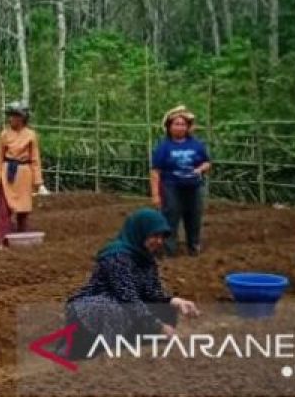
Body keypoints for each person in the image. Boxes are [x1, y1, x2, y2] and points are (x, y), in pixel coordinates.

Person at [63, 208, 200, 360]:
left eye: (162, 236)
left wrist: (176, 301)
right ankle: (90, 347)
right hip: (96, 307)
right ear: (140, 232)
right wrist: (159, 327)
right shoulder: (117, 256)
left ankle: (129, 341)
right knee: (116, 309)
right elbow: (127, 297)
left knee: (166, 309)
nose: (159, 241)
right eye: (154, 235)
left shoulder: (145, 258)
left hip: (123, 306)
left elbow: (152, 293)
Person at [150, 105, 211, 256]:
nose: (180, 127)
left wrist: (199, 169)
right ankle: (169, 250)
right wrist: (156, 194)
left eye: (183, 124)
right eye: (176, 124)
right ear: (169, 127)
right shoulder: (163, 147)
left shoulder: (196, 144)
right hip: (171, 187)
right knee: (171, 217)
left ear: (188, 127)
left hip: (194, 186)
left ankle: (194, 247)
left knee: (194, 217)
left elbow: (207, 162)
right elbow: (155, 171)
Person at [0, 102, 44, 247]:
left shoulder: (31, 136)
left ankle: (22, 240)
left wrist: (38, 181)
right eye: (10, 116)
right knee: (3, 209)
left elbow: (35, 159)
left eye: (14, 116)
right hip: (7, 173)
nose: (11, 119)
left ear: (22, 118)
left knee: (23, 210)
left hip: (24, 174)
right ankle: (2, 241)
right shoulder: (4, 134)